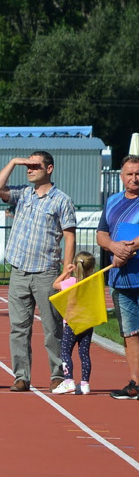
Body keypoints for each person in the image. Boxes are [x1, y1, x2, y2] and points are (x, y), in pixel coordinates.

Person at [0, 151, 76, 392]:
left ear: (49, 169)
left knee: (52, 327)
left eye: (34, 165)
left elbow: (70, 237)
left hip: (47, 272)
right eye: (26, 166)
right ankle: (21, 376)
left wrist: (66, 271)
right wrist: (14, 162)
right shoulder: (23, 194)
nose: (29, 169)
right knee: (18, 327)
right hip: (19, 270)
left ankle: (58, 374)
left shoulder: (61, 200)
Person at [97, 155, 139, 400]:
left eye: (138, 174)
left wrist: (130, 247)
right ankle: (135, 382)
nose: (134, 178)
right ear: (121, 176)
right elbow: (101, 235)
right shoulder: (112, 202)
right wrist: (114, 247)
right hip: (122, 279)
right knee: (130, 333)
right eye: (129, 174)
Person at [51, 251, 97, 395]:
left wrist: (65, 272)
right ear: (92, 268)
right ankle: (85, 384)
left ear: (76, 266)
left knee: (65, 352)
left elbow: (55, 285)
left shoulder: (70, 282)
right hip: (87, 323)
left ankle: (68, 381)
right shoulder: (93, 284)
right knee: (84, 354)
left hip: (72, 323)